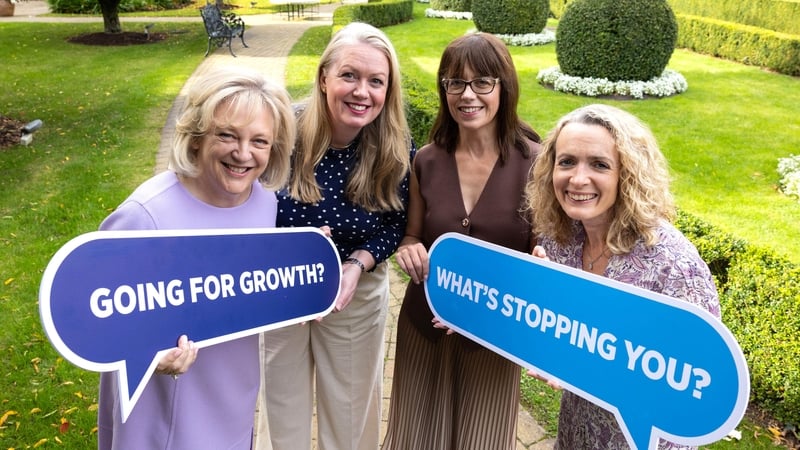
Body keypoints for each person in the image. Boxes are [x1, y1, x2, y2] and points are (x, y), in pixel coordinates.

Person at [96, 66, 296, 450]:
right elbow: (96, 320)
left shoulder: (265, 204)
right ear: (196, 137)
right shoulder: (145, 216)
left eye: (259, 141)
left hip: (234, 392)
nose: (243, 153)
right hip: (162, 412)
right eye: (227, 135)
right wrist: (149, 354)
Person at [525, 104, 720, 449]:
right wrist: (538, 294)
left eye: (599, 164)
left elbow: (703, 383)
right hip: (576, 433)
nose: (578, 179)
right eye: (566, 161)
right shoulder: (561, 240)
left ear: (627, 175)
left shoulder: (674, 264)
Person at [381, 32, 541, 450]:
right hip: (425, 325)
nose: (467, 95)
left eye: (482, 82)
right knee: (417, 439)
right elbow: (413, 235)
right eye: (455, 82)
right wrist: (409, 249)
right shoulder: (427, 160)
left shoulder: (536, 164)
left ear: (505, 87)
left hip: (493, 338)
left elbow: (541, 256)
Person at [259, 22, 414, 450]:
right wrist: (288, 245)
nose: (362, 92)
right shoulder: (281, 131)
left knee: (350, 414)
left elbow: (397, 223)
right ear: (324, 76)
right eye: (349, 75)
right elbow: (244, 199)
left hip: (355, 289)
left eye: (376, 81)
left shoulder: (395, 146)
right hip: (281, 286)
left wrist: (358, 263)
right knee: (280, 406)